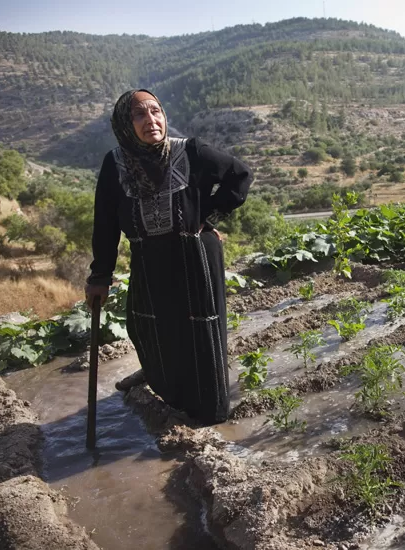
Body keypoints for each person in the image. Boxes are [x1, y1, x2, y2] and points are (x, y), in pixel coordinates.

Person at [85, 89, 252, 425]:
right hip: (148, 259)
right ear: (124, 124)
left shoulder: (190, 151)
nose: (151, 120)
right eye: (139, 114)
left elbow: (239, 175)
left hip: (195, 257)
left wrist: (206, 215)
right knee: (147, 325)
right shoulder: (115, 163)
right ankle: (164, 385)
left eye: (156, 111)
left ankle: (208, 409)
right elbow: (104, 222)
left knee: (199, 333)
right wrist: (99, 276)